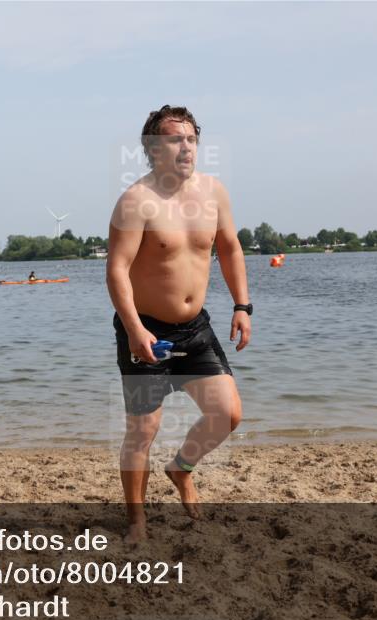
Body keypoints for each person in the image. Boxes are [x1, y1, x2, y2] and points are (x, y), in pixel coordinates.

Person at [106, 105, 251, 544]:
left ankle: (181, 468)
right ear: (153, 148)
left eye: (190, 138)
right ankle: (136, 521)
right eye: (174, 139)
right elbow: (116, 270)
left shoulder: (214, 193)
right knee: (143, 429)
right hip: (146, 329)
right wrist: (134, 329)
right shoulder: (136, 201)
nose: (185, 146)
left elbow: (230, 249)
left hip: (196, 328)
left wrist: (243, 306)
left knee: (227, 414)